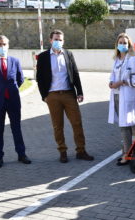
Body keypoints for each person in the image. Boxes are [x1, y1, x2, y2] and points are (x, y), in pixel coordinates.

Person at [36, 30, 94, 163]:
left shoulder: (68, 54)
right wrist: (44, 96)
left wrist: (79, 92)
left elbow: (75, 73)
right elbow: (39, 78)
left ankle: (81, 151)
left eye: (60, 40)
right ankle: (62, 151)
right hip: (52, 96)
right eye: (56, 39)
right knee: (58, 126)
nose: (58, 42)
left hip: (68, 94)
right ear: (50, 41)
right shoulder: (43, 57)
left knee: (77, 123)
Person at [0, 35, 31, 168]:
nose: (2, 47)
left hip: (13, 100)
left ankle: (21, 154)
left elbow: (20, 79)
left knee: (17, 129)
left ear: (8, 45)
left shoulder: (15, 61)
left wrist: (11, 90)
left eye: (4, 44)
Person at [108, 33, 135, 166]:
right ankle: (127, 153)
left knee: (133, 126)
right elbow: (112, 75)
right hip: (116, 96)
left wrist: (121, 82)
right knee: (123, 126)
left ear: (129, 45)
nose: (122, 45)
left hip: (128, 96)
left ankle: (132, 153)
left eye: (125, 43)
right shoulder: (116, 60)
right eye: (120, 42)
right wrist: (111, 82)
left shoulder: (133, 59)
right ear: (117, 45)